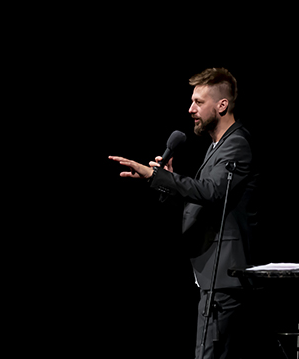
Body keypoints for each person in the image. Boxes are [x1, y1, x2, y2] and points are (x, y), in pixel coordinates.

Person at [109, 67, 259, 359]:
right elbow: (202, 202)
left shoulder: (237, 144)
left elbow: (212, 192)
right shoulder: (217, 147)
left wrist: (157, 176)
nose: (191, 109)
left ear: (222, 105)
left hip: (224, 275)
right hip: (212, 275)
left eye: (198, 102)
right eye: (192, 102)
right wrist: (165, 181)